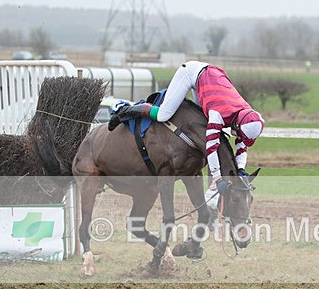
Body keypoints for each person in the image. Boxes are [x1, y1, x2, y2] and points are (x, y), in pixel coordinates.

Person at [108, 61, 264, 196]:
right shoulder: (218, 114)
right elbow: (211, 147)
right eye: (237, 133)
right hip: (190, 73)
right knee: (163, 115)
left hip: (210, 78)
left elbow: (242, 145)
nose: (236, 135)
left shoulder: (247, 115)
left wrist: (241, 169)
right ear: (237, 124)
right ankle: (126, 110)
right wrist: (217, 179)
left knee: (201, 125)